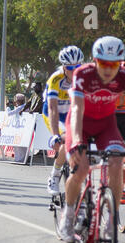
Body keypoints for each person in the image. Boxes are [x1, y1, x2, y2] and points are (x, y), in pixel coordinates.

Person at [59, 36, 125, 243]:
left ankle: (109, 221)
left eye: (114, 64)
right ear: (94, 60)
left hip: (106, 125)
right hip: (80, 121)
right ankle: (69, 214)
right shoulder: (83, 74)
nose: (108, 69)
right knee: (81, 169)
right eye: (103, 63)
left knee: (117, 161)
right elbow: (76, 108)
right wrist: (78, 141)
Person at [44, 45, 84, 195]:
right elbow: (52, 109)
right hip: (53, 114)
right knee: (64, 142)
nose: (74, 71)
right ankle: (54, 175)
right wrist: (55, 135)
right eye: (70, 68)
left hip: (71, 113)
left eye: (78, 67)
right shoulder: (55, 80)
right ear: (63, 67)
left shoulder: (84, 77)